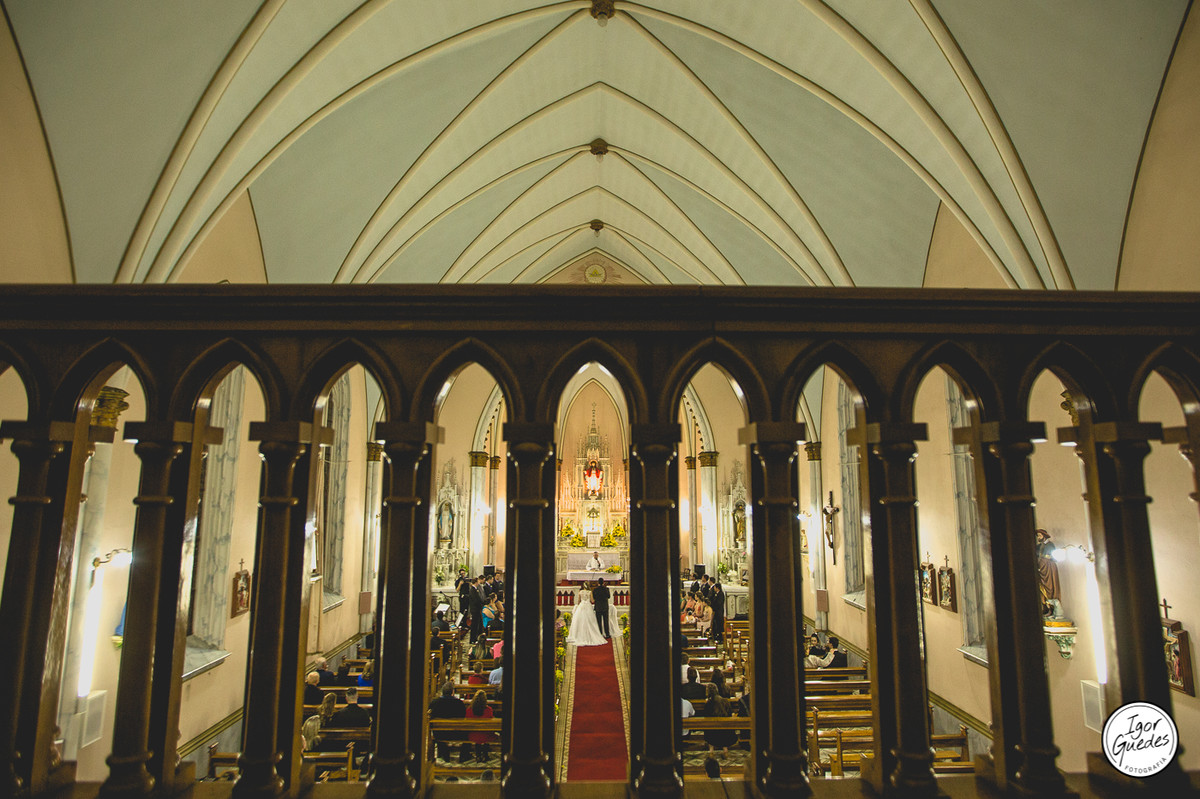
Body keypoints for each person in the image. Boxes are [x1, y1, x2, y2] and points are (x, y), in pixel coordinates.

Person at [429, 681, 467, 761]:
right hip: (457, 733)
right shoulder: (459, 703)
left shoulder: (435, 702)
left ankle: (443, 752)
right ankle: (463, 756)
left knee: (438, 730)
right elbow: (463, 716)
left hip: (439, 734)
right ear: (453, 692)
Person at [700, 682, 737, 755]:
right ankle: (725, 750)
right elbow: (730, 714)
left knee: (709, 726)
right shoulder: (725, 701)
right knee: (724, 726)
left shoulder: (709, 703)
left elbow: (706, 717)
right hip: (726, 731)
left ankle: (711, 750)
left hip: (712, 733)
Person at [464, 690, 495, 762]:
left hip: (472, 735)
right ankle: (485, 754)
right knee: (485, 734)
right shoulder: (489, 710)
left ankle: (478, 755)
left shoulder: (469, 709)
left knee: (478, 735)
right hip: (486, 735)